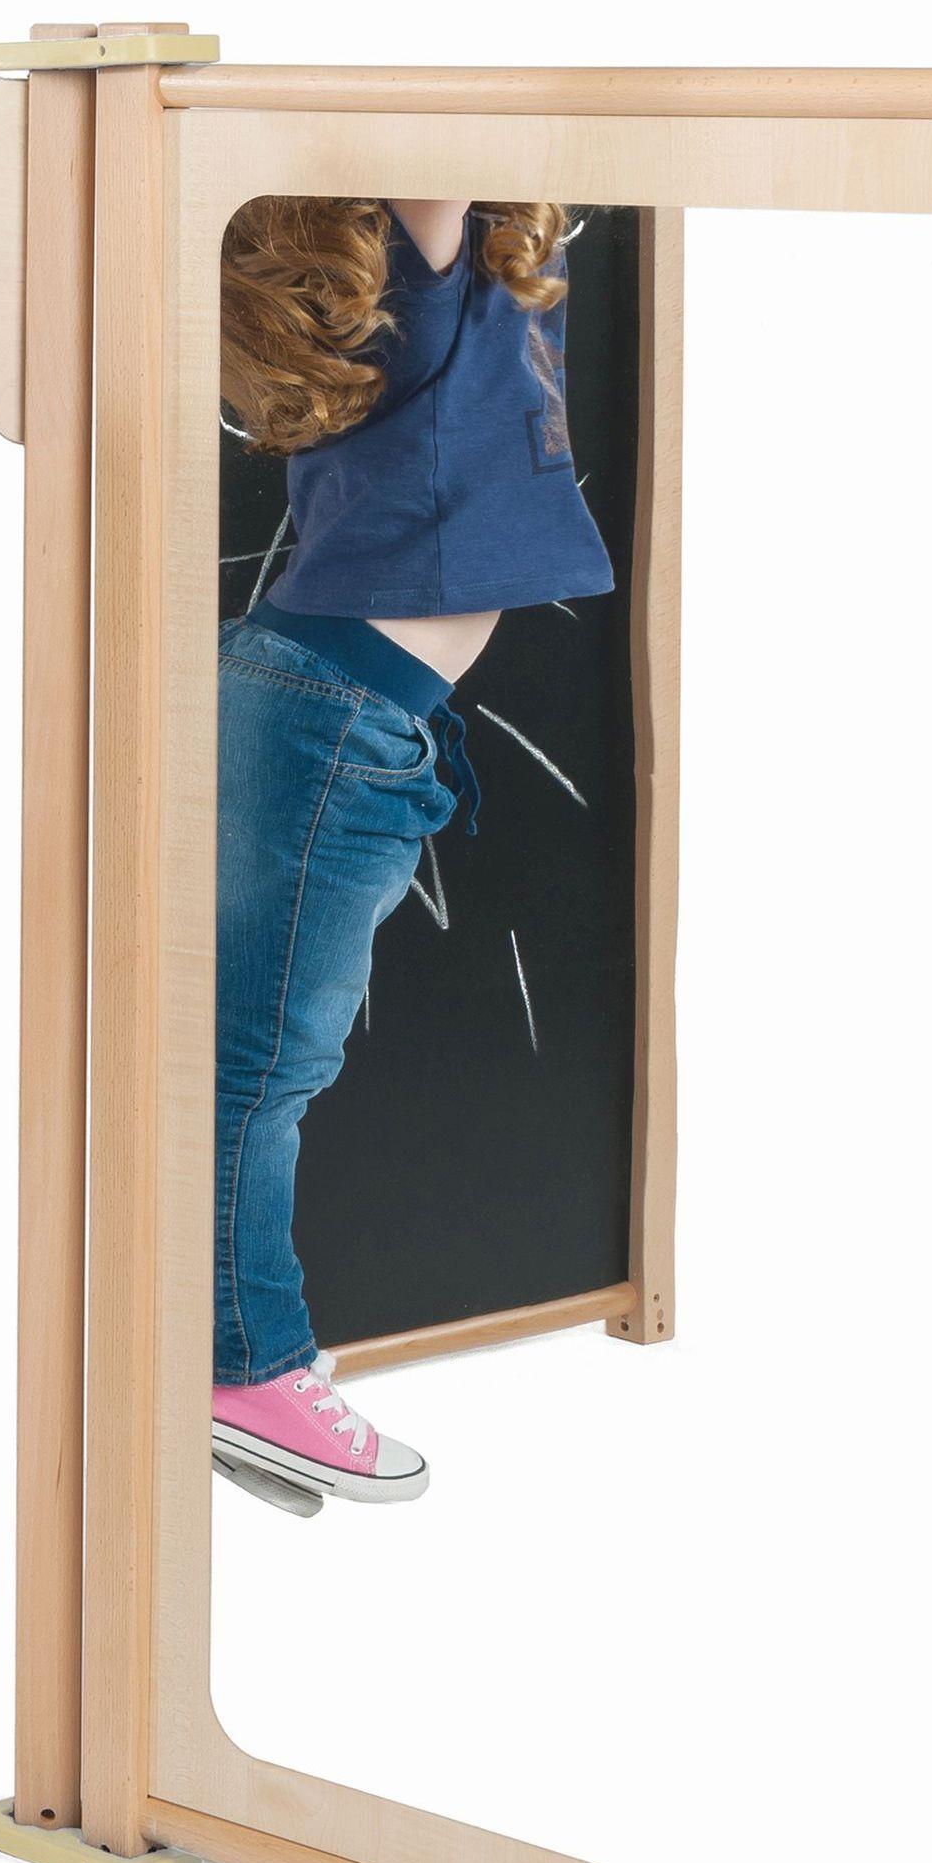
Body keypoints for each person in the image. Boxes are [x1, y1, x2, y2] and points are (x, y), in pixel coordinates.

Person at [211, 191, 608, 1507]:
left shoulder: (485, 275)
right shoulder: (417, 263)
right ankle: (240, 1364)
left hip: (341, 708)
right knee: (260, 1062)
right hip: (331, 716)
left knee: (261, 1055)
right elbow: (442, 133)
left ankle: (235, 1357)